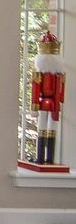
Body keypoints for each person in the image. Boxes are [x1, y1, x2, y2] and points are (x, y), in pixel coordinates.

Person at [31, 31, 66, 164]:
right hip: (50, 103)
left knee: (49, 130)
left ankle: (46, 158)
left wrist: (35, 105)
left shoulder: (58, 75)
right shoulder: (57, 74)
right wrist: (35, 105)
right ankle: (44, 157)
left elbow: (37, 89)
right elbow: (37, 89)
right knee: (46, 129)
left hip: (51, 104)